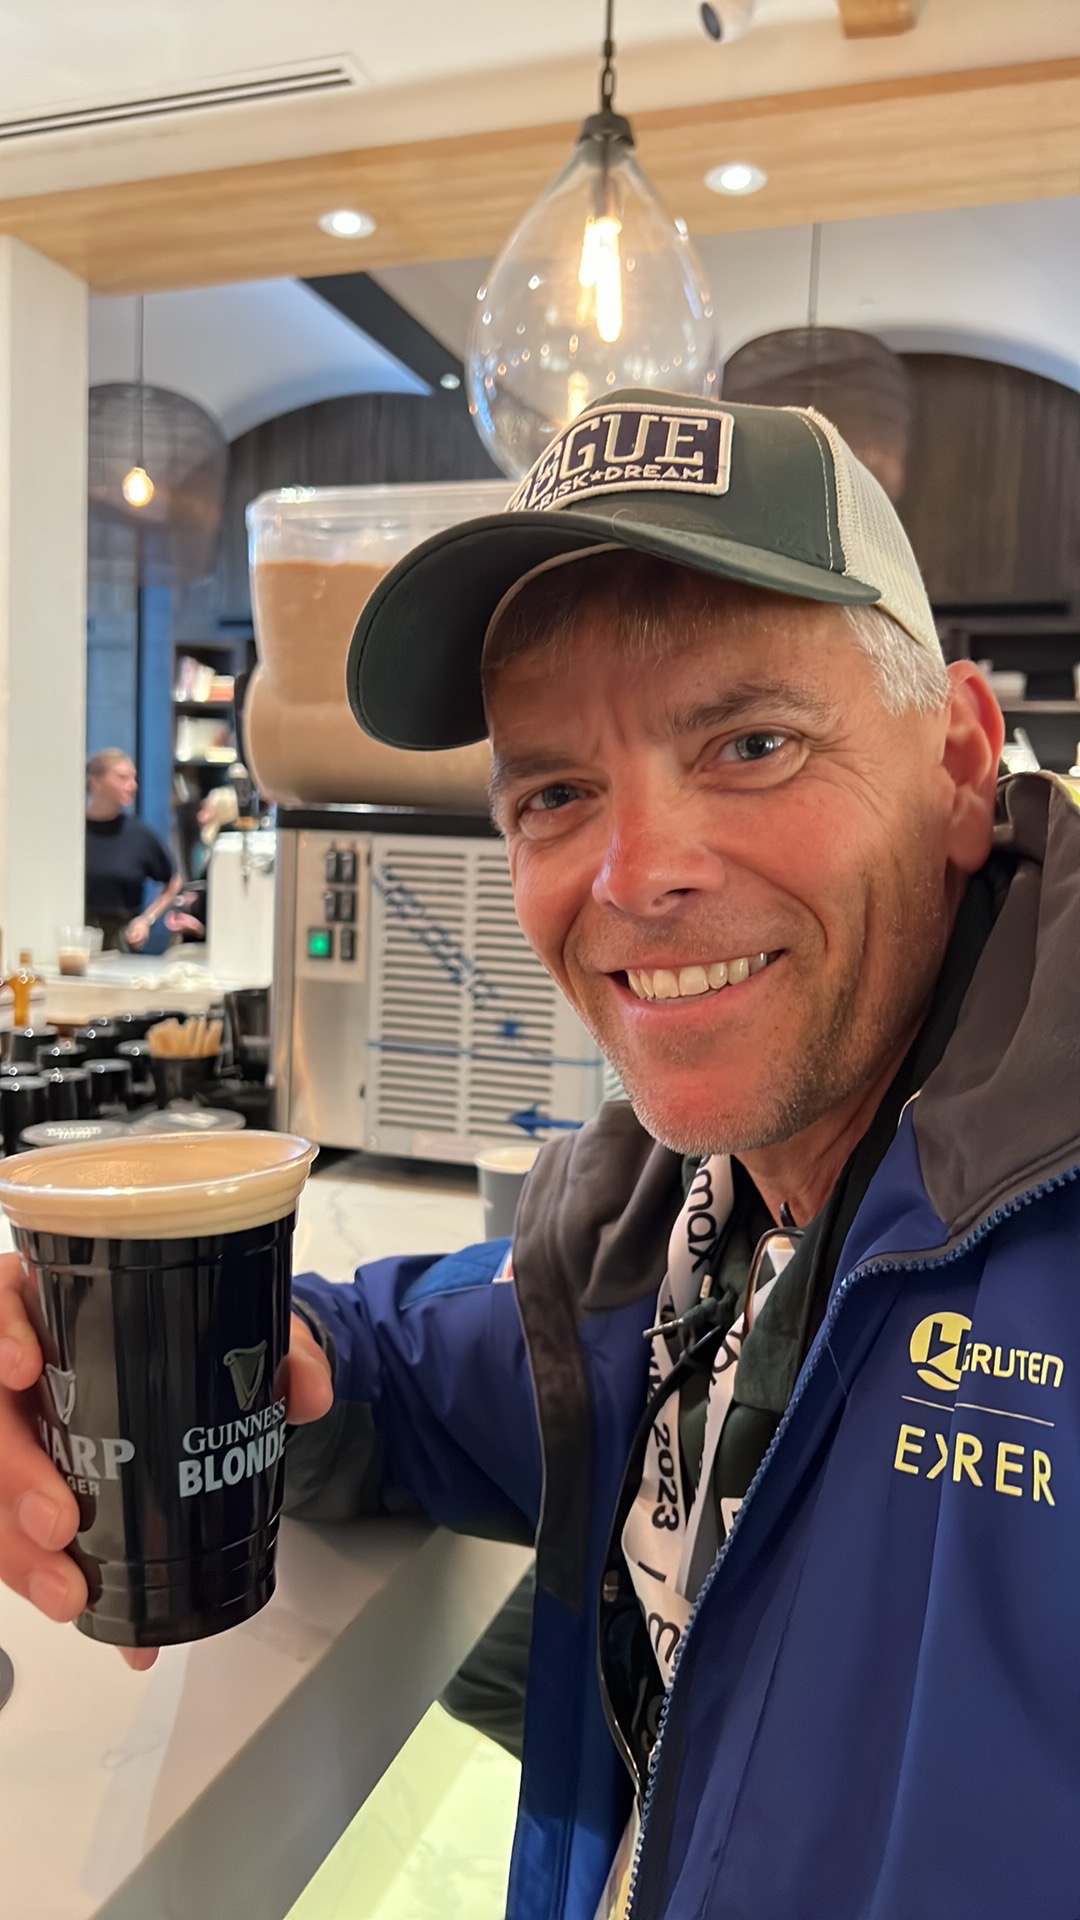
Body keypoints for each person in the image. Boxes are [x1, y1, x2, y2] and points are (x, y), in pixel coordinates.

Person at [2, 391, 1078, 1920]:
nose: (635, 876)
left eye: (753, 742)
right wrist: (117, 1369)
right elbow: (411, 1365)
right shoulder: (669, 1221)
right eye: (559, 793)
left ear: (960, 760)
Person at [84, 749, 181, 950]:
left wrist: (146, 920)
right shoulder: (72, 834)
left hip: (120, 942)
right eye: (122, 778)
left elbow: (172, 882)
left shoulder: (139, 836)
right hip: (76, 937)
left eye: (133, 778)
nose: (133, 785)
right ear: (96, 782)